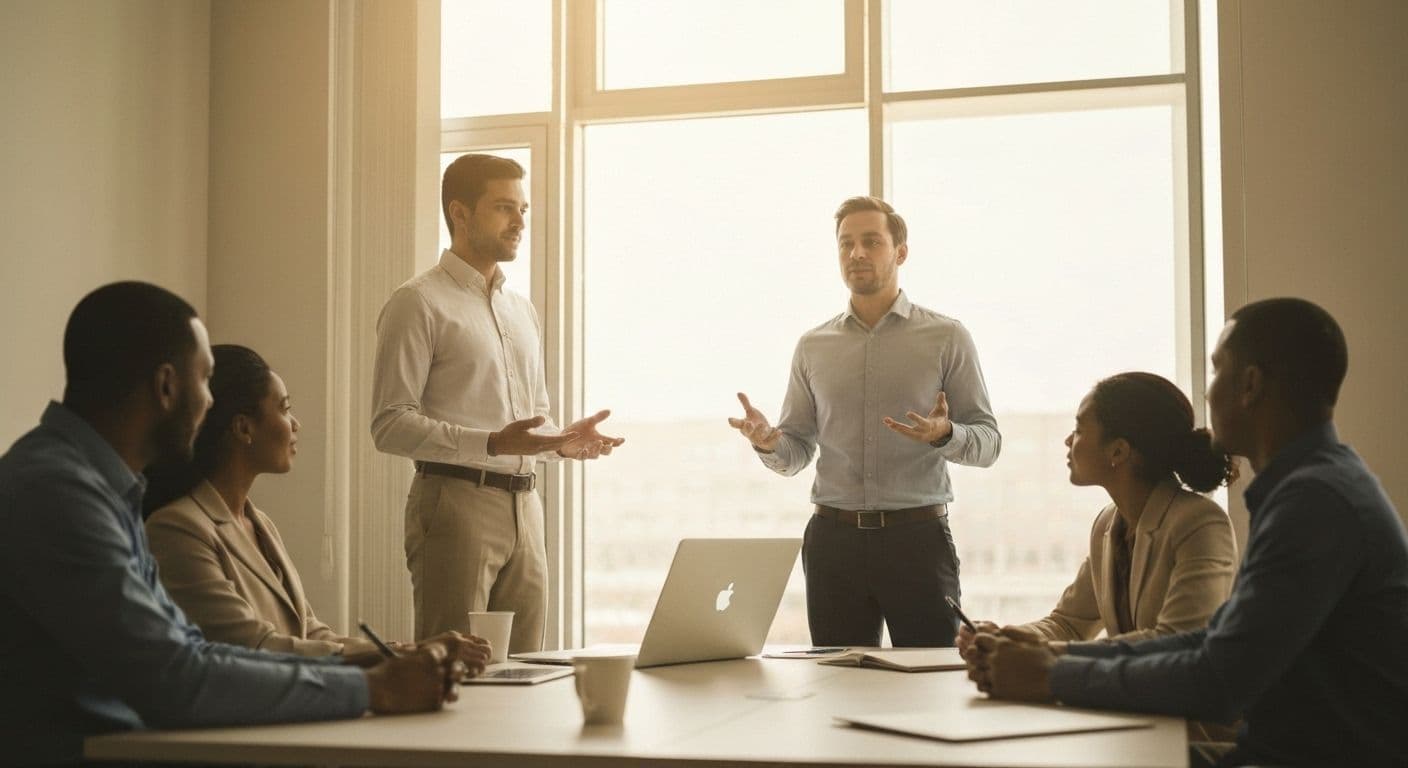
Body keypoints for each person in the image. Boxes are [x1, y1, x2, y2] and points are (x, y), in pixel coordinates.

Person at [0, 282, 466, 766]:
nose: (209, 404)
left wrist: (371, 668)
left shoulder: (101, 488)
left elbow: (193, 650)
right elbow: (174, 678)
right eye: (204, 380)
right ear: (166, 387)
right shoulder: (57, 493)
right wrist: (372, 689)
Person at [965, 298, 1408, 767]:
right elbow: (1212, 642)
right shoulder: (1312, 487)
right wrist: (1049, 661)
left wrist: (1052, 674)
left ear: (1250, 385)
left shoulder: (1315, 502)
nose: (1208, 394)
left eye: (1217, 372)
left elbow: (1218, 680)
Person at [372, 153, 624, 651]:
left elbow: (532, 419)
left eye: (523, 209)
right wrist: (489, 443)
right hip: (454, 504)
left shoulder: (520, 309)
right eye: (505, 208)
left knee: (527, 666)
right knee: (454, 666)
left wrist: (563, 442)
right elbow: (389, 425)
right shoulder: (417, 302)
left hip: (526, 507)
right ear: (460, 213)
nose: (520, 223)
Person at [729, 195, 1001, 647]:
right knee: (837, 686)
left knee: (931, 684)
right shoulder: (813, 346)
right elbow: (795, 452)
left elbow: (989, 442)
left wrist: (946, 434)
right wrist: (768, 441)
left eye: (871, 241)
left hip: (917, 540)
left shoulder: (946, 337)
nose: (856, 253)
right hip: (833, 544)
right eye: (846, 244)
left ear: (900, 252)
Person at [143, 345, 491, 667]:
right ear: (243, 428)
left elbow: (309, 631)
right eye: (284, 408)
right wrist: (407, 655)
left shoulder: (259, 522)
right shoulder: (178, 529)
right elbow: (255, 647)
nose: (296, 424)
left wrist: (404, 652)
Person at [955, 372, 1237, 651]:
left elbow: (1178, 640)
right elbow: (1069, 624)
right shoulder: (1107, 524)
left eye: (1079, 429)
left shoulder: (1200, 523)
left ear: (1118, 451)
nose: (1068, 440)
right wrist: (1005, 637)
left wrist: (1050, 655)